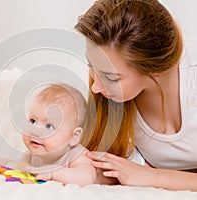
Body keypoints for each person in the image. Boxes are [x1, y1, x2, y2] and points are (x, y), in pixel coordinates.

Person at [75, 0, 197, 191]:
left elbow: (141, 174)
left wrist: (153, 176)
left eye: (112, 78)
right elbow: (108, 169)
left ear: (154, 70)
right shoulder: (115, 100)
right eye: (91, 66)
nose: (95, 88)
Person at [0, 84, 100, 186]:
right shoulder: (35, 152)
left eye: (48, 126)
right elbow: (17, 167)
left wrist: (53, 173)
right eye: (33, 121)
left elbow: (87, 178)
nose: (35, 131)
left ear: (74, 137)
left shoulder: (78, 156)